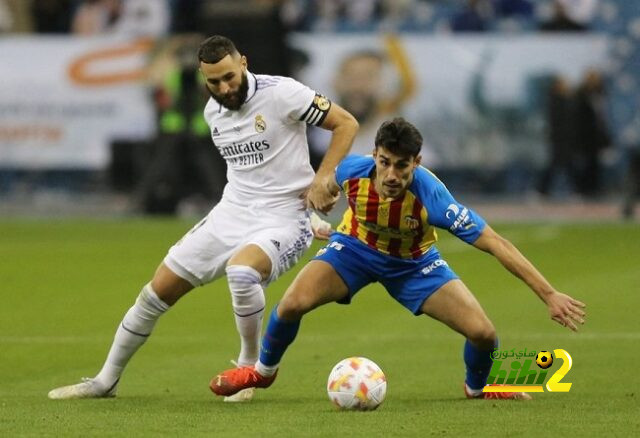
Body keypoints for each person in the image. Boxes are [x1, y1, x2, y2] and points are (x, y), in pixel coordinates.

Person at [48, 35, 359, 402]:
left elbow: (346, 123)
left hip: (284, 218)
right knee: (155, 293)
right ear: (202, 77)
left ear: (243, 62)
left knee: (242, 273)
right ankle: (106, 381)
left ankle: (249, 368)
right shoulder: (212, 112)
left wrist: (323, 177)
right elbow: (250, 173)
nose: (225, 87)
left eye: (230, 76)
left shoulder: (283, 93)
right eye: (214, 82)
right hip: (231, 213)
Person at [210, 117, 586, 401]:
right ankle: (262, 372)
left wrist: (549, 294)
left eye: (402, 166)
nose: (391, 175)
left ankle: (480, 387)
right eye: (385, 162)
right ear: (374, 155)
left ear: (416, 163)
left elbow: (495, 242)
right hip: (354, 251)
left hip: (415, 264)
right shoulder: (351, 171)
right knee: (292, 304)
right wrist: (315, 215)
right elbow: (312, 194)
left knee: (484, 334)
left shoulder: (433, 198)